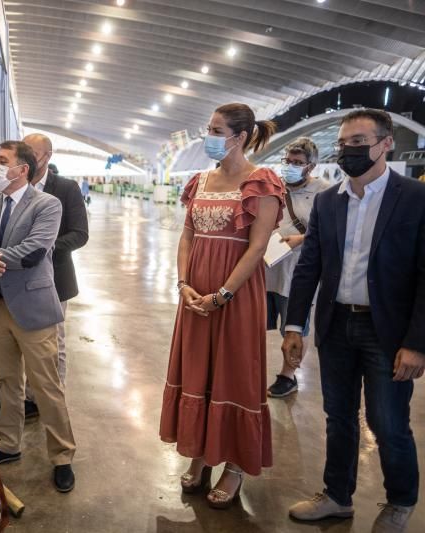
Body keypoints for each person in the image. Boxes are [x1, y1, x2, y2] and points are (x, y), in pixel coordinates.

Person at [283, 109, 425, 532]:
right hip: (336, 325)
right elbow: (310, 266)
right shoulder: (330, 200)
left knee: (387, 423)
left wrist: (418, 342)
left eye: (359, 142)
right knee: (338, 416)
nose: (349, 150)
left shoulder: (414, 198)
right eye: (344, 142)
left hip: (388, 332)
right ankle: (337, 497)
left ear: (386, 145)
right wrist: (294, 326)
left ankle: (400, 501)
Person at [159, 103, 283, 509]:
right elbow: (187, 237)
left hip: (236, 296)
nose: (208, 136)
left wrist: (224, 294)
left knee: (233, 373)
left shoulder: (261, 182)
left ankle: (233, 466)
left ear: (241, 136)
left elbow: (259, 246)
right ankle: (199, 453)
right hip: (195, 295)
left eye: (216, 130)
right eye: (208, 128)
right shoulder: (199, 181)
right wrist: (183, 284)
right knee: (199, 371)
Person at [0, 141, 77, 492]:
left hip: (34, 310)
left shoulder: (47, 205)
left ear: (22, 169)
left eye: (2, 160)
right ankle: (9, 443)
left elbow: (33, 252)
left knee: (46, 385)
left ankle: (62, 456)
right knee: (7, 381)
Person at [22, 133, 89, 418]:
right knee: (26, 340)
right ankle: (28, 397)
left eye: (31, 153)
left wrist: (44, 250)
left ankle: (52, 400)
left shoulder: (66, 188)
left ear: (46, 157)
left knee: (54, 342)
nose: (24, 159)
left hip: (54, 279)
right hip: (19, 279)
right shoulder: (16, 187)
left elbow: (80, 234)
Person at [265, 138, 330, 398]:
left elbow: (329, 231)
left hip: (297, 273)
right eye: (288, 161)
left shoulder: (324, 192)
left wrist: (300, 239)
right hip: (269, 268)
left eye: (297, 163)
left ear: (310, 166)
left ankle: (288, 376)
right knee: (258, 321)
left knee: (292, 329)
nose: (291, 166)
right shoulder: (275, 187)